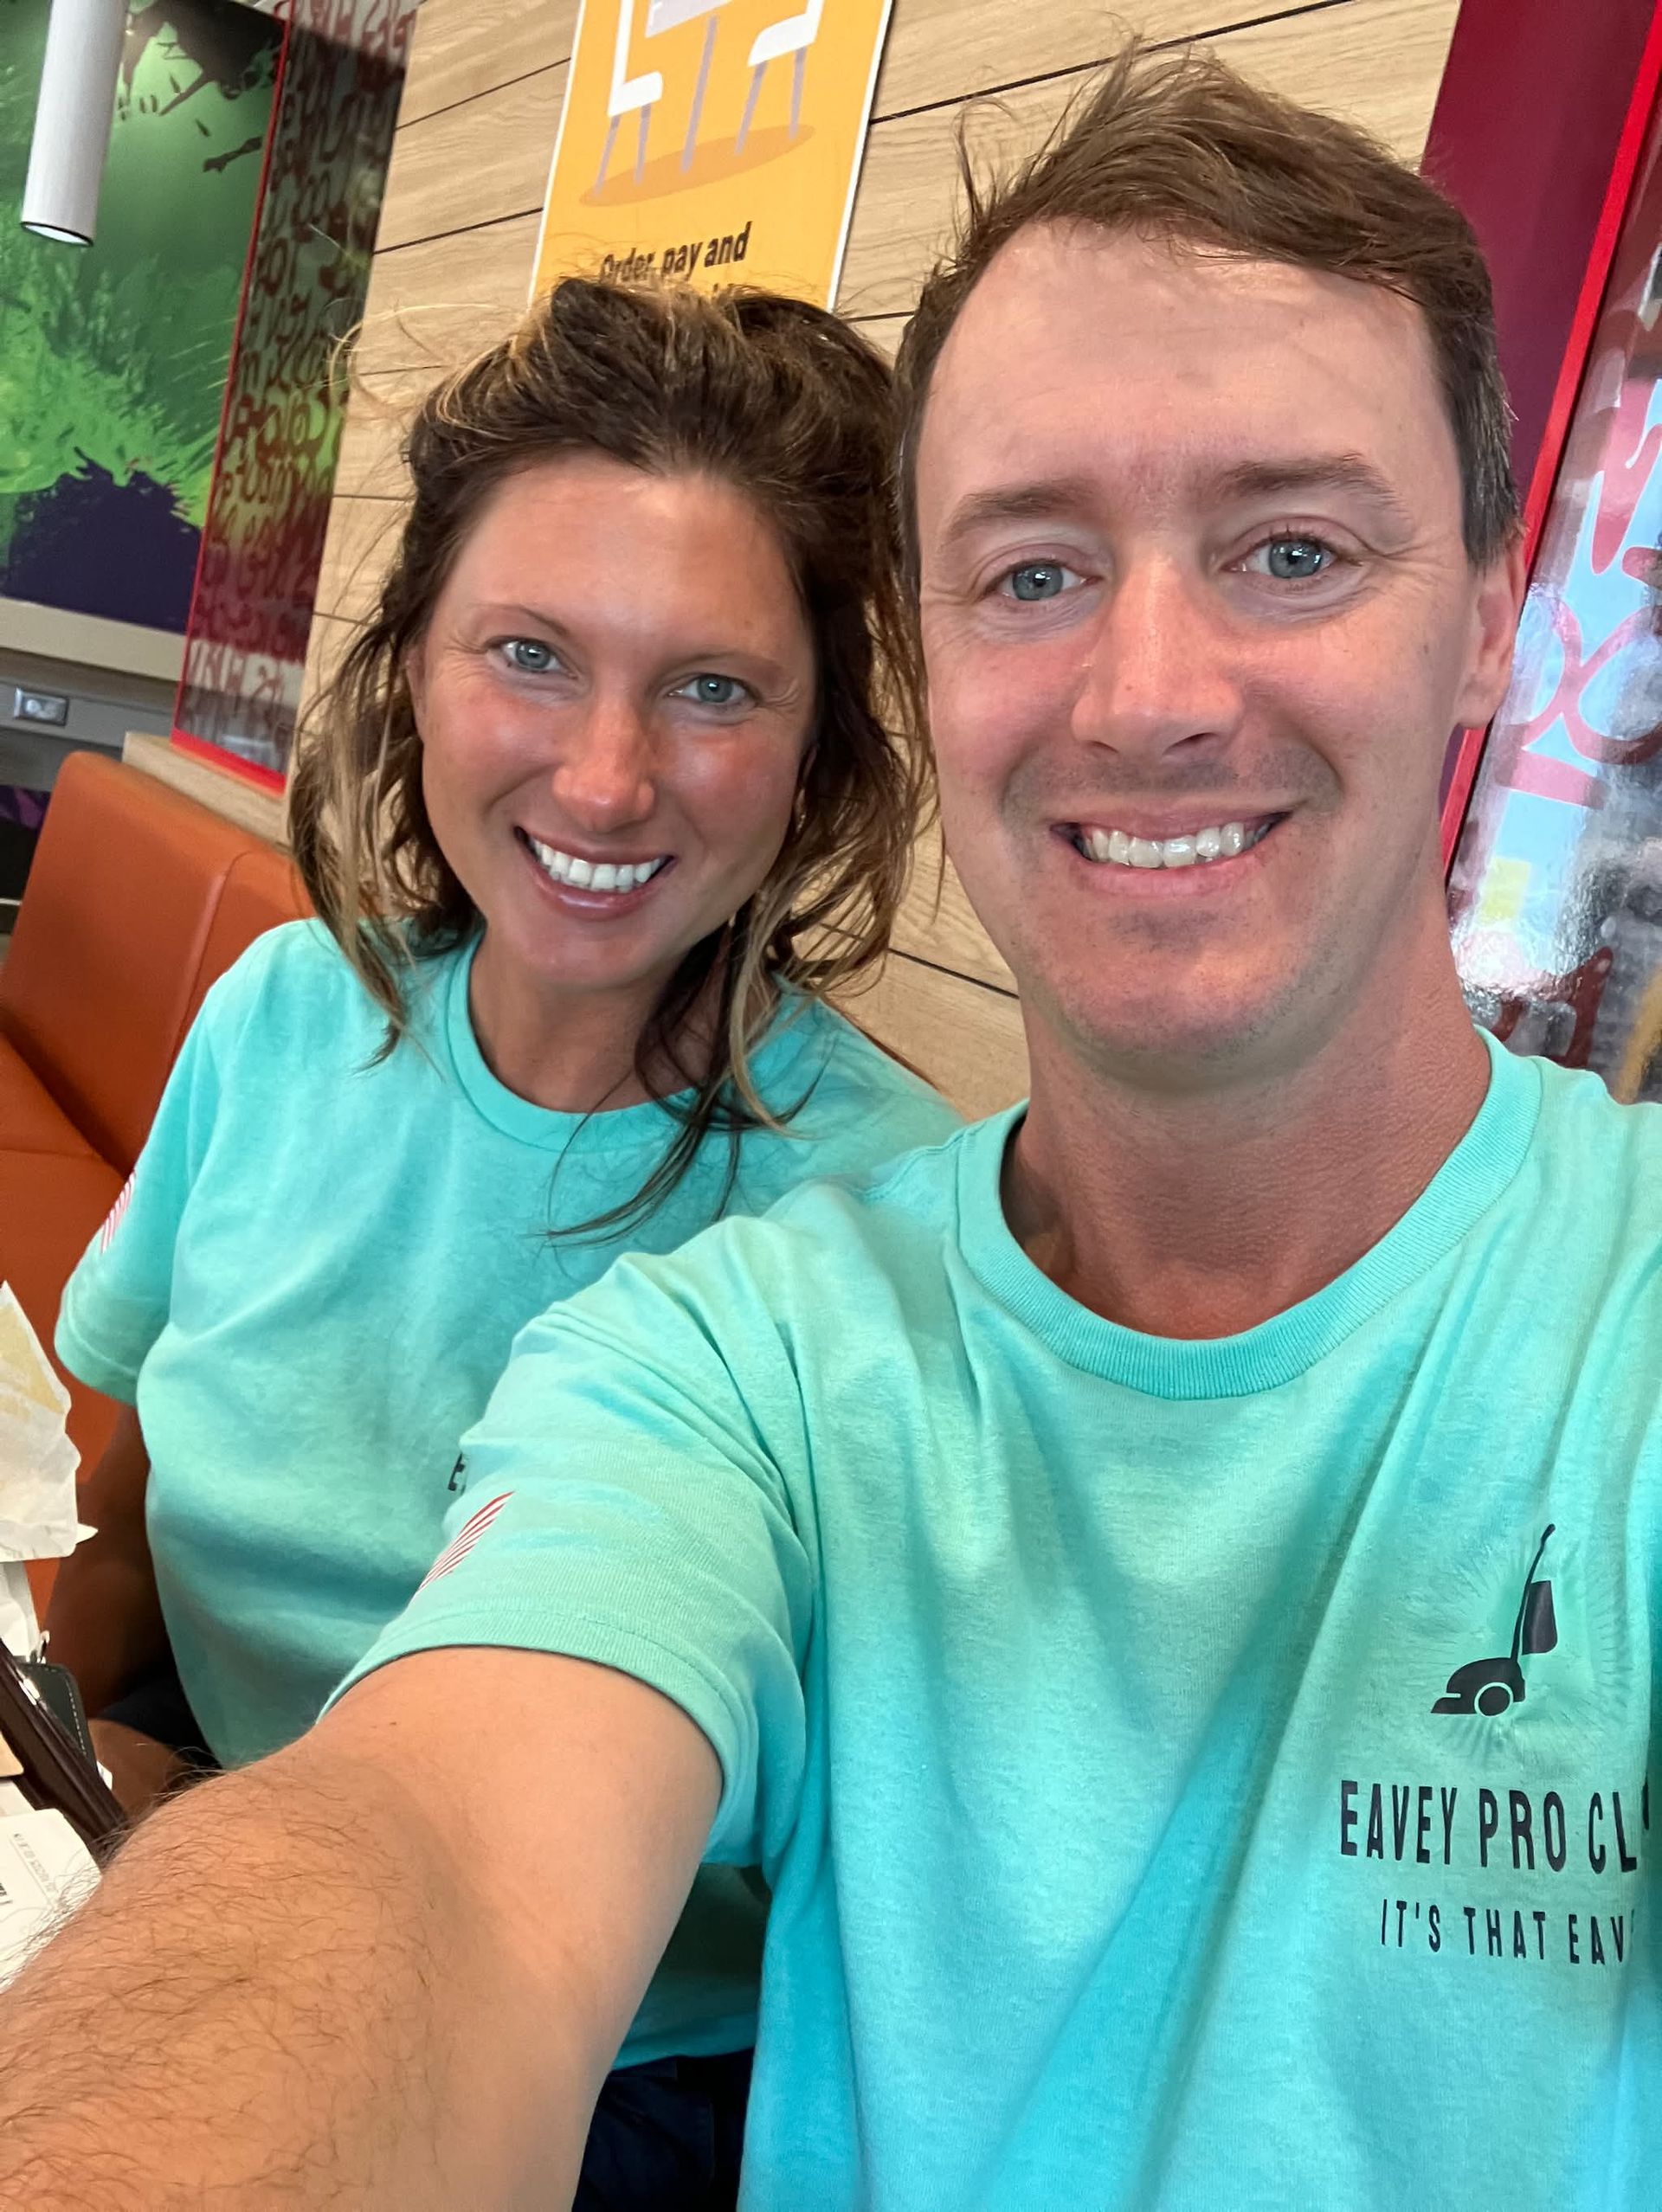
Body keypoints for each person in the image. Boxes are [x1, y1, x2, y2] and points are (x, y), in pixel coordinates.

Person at [3, 41, 1659, 2210]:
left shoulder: (833, 1208)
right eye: (1036, 570)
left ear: (1496, 619)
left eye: (1290, 547)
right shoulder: (764, 1352)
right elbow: (442, 1856)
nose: (1152, 691)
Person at [34, 277, 960, 2205]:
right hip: (159, 1826)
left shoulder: (884, 1230)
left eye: (715, 687)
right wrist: (65, 1772)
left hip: (610, 2083)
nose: (606, 779)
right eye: (529, 653)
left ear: (819, 753)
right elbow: (118, 1521)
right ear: (413, 663)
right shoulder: (288, 1017)